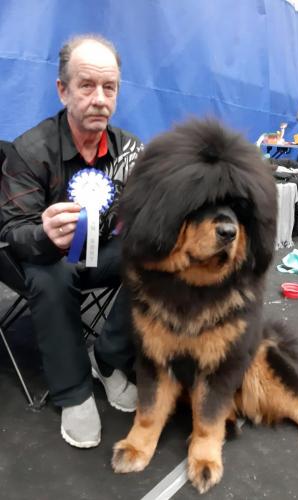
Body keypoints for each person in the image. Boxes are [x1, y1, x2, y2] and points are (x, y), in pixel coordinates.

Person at [0, 34, 143, 448]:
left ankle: (109, 358)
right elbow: (10, 233)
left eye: (109, 87)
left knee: (155, 256)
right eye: (87, 85)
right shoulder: (29, 151)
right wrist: (43, 233)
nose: (100, 98)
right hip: (32, 256)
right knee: (51, 273)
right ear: (62, 90)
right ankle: (73, 391)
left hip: (98, 250)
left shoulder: (130, 149)